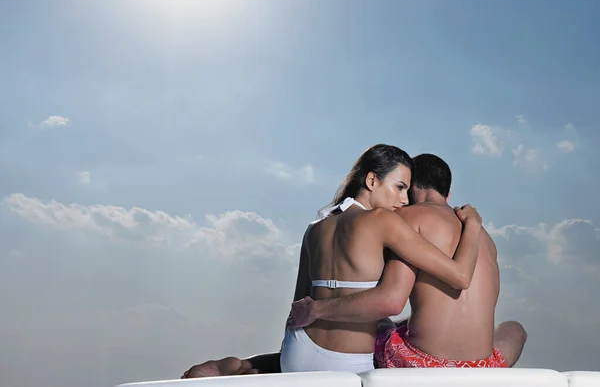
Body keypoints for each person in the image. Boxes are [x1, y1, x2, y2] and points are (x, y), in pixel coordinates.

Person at [182, 144, 483, 377]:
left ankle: (243, 367)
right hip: (346, 364)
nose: (404, 200)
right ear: (372, 180)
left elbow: (300, 304)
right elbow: (459, 276)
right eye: (399, 187)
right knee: (399, 342)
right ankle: (245, 367)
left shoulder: (316, 226)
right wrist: (473, 226)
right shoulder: (384, 222)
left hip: (296, 353)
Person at [288, 154, 527, 368]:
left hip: (421, 362)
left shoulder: (405, 218)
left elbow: (390, 300)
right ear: (448, 194)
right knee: (515, 328)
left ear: (413, 187)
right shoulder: (483, 238)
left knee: (380, 320)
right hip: (480, 366)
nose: (402, 199)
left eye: (405, 189)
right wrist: (473, 224)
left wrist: (316, 309)